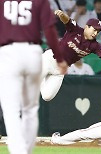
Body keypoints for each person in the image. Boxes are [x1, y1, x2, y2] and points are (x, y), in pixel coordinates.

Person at [0, 0, 65, 154]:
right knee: (30, 109)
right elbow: (49, 29)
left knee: (11, 108)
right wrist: (60, 57)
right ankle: (26, 151)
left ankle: (18, 151)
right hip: (32, 52)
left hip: (8, 52)